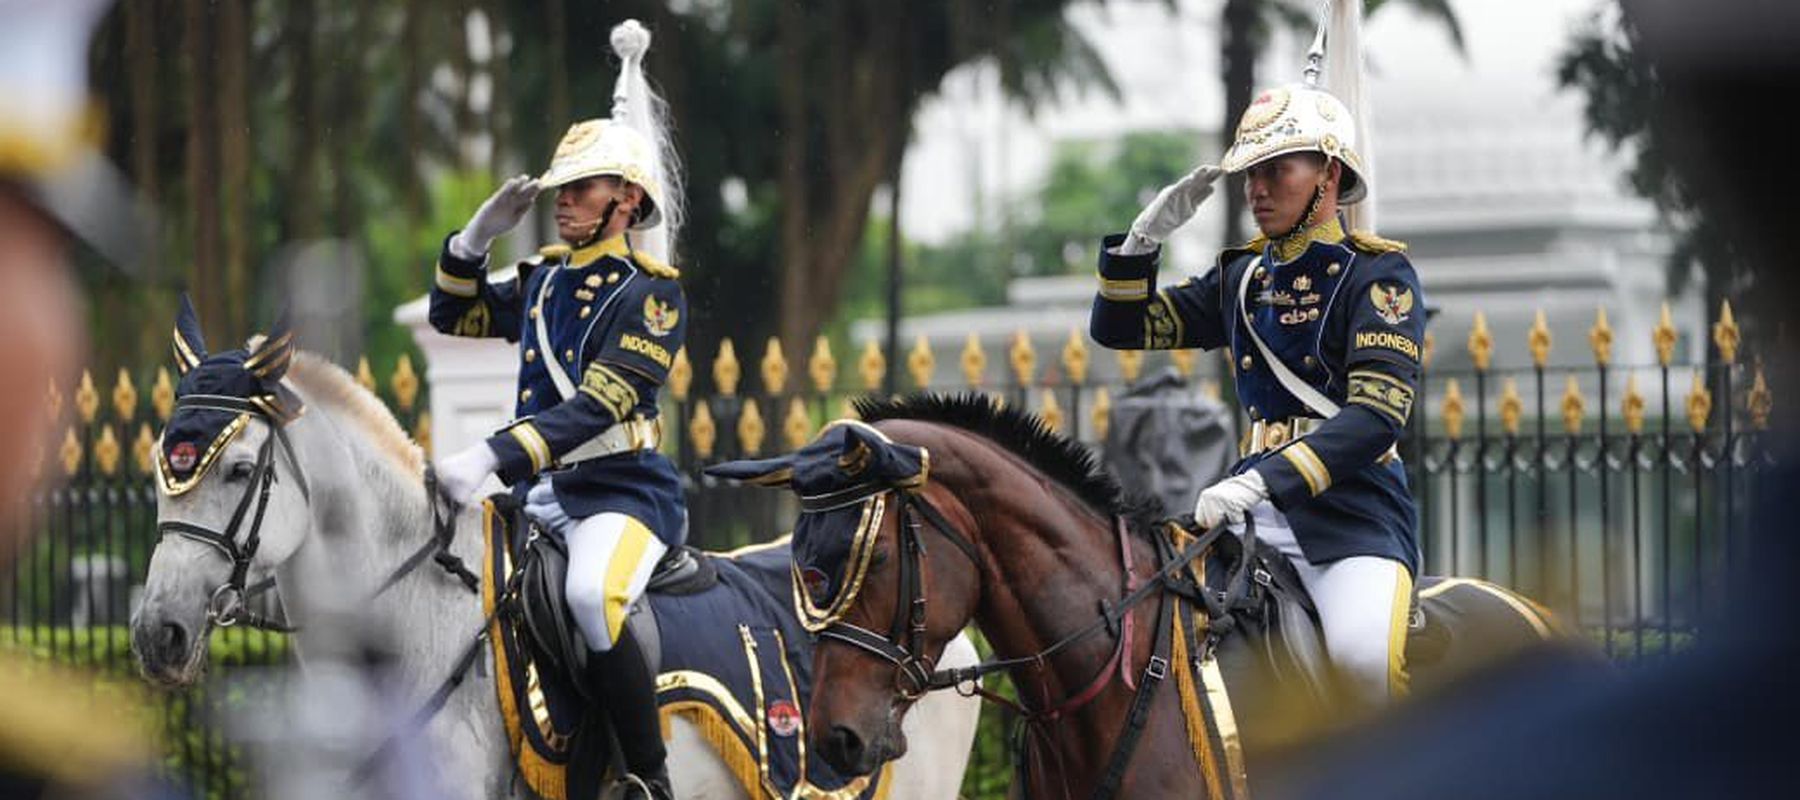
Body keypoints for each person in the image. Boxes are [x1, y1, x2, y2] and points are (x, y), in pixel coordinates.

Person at [1088, 1, 1420, 708]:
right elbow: (1122, 329)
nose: (1257, 188)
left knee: (1365, 671)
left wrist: (1262, 480)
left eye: (1277, 169)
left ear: (1328, 174)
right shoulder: (1241, 279)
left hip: (1351, 520)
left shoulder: (1378, 277)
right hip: (1248, 519)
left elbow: (1376, 417)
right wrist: (1140, 244)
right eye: (1251, 172)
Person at [427, 21, 686, 800]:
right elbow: (454, 316)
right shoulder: (542, 279)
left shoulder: (651, 297)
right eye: (561, 188)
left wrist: (491, 455)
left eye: (581, 188)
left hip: (621, 494)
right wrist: (476, 237)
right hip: (540, 496)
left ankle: (648, 775)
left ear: (626, 201)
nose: (563, 201)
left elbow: (600, 404)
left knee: (590, 597)